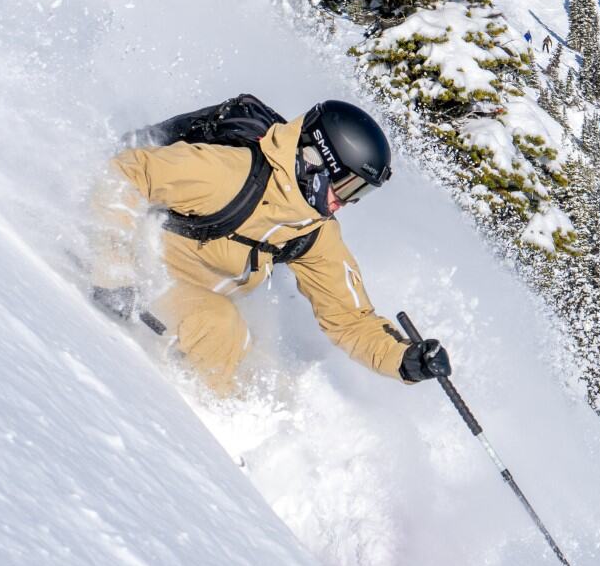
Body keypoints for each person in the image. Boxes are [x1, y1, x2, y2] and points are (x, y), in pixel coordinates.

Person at [88, 98, 450, 394]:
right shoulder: (229, 174)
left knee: (269, 375)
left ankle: (249, 435)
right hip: (143, 275)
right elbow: (128, 172)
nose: (346, 202)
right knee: (220, 328)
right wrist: (114, 267)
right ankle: (206, 430)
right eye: (347, 186)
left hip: (196, 300)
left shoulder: (312, 231)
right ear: (316, 161)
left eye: (360, 193)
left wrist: (405, 359)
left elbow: (350, 319)